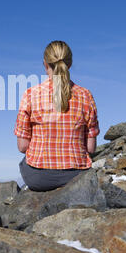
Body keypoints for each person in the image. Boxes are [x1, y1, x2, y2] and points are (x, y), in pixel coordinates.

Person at [14, 40, 100, 191]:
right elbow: (90, 148)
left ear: (45, 64)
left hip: (39, 177)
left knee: (24, 162)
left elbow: (22, 147)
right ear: (70, 64)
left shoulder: (30, 95)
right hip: (76, 175)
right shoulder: (86, 95)